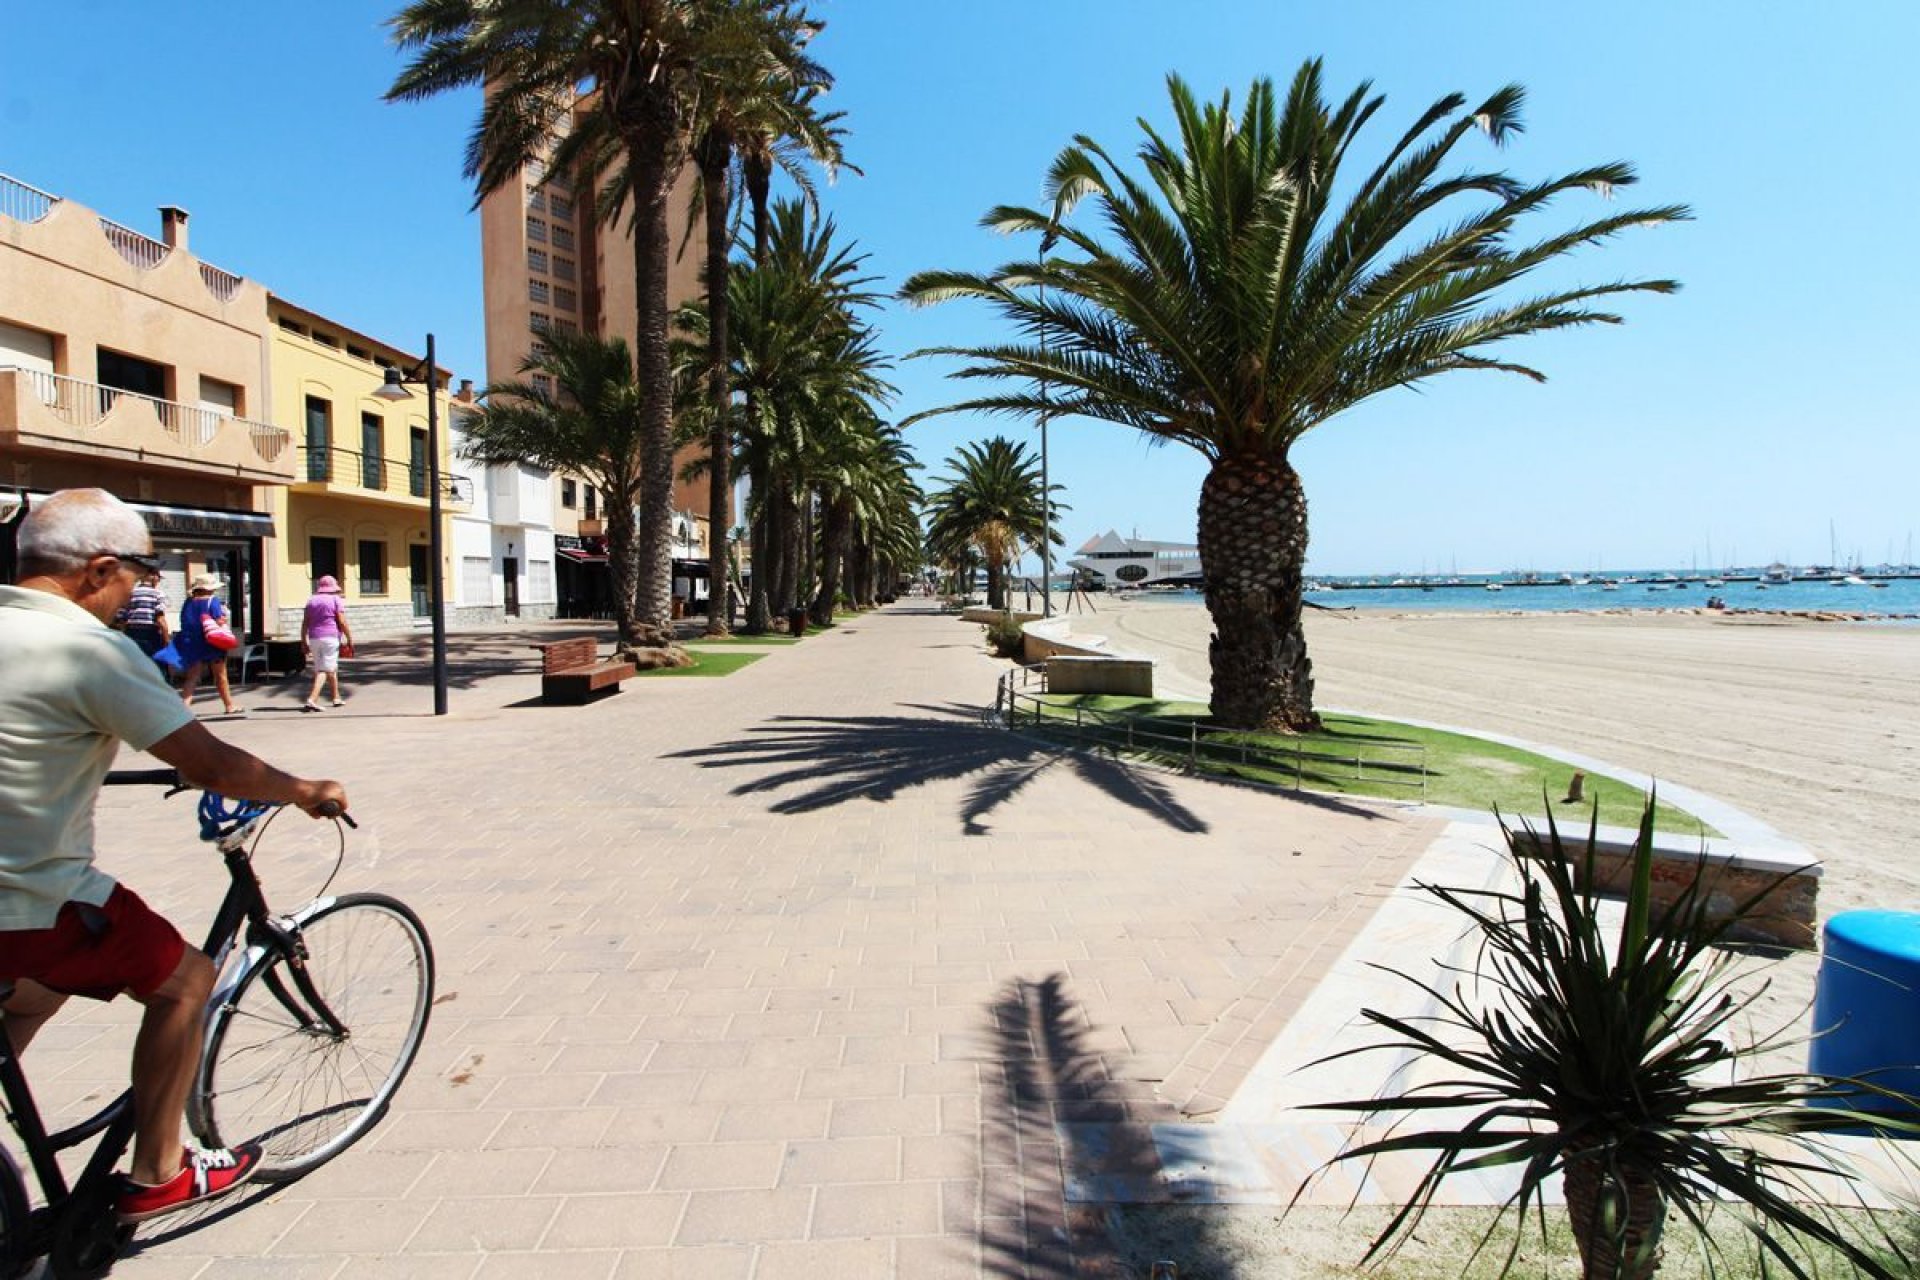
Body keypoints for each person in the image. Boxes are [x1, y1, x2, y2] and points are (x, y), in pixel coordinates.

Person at [0, 488, 348, 1222]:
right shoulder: (89, 650)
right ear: (99, 570)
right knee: (188, 980)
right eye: (138, 574)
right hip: (29, 899)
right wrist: (303, 789)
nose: (138, 591)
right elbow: (210, 762)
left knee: (37, 989)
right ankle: (160, 1173)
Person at [175, 574, 241, 717]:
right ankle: (229, 705)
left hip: (193, 643)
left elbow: (184, 621)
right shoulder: (213, 601)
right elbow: (218, 620)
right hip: (212, 643)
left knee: (192, 676)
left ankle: (184, 707)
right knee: (220, 675)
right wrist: (223, 619)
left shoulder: (188, 602)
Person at [299, 574, 354, 712]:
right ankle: (312, 699)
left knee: (328, 667)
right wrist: (349, 638)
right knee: (324, 670)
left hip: (314, 638)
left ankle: (336, 697)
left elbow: (305, 623)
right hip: (330, 638)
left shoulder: (311, 600)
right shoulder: (336, 599)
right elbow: (342, 621)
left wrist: (303, 641)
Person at [112, 569, 171, 667]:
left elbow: (120, 618)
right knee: (154, 665)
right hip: (150, 634)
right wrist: (166, 639)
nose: (158, 581)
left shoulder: (130, 593)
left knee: (133, 664)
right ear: (153, 577)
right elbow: (160, 619)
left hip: (131, 632)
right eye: (158, 578)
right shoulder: (158, 594)